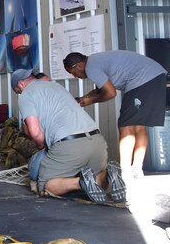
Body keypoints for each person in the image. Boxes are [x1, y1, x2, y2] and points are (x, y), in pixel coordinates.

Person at [12, 68, 124, 202]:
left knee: (46, 185)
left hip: (70, 145)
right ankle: (107, 177)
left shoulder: (26, 94)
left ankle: (81, 182)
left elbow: (35, 131)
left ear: (20, 84)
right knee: (95, 177)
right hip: (97, 141)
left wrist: (42, 147)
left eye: (18, 91)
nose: (20, 94)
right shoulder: (56, 86)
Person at [63, 50, 167, 180]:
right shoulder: (95, 61)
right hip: (155, 75)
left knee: (126, 125)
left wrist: (90, 100)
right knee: (138, 126)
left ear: (79, 65)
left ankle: (125, 171)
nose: (75, 76)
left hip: (143, 79)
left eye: (73, 73)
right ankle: (136, 169)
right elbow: (101, 90)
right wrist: (83, 99)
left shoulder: (91, 68)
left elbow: (110, 93)